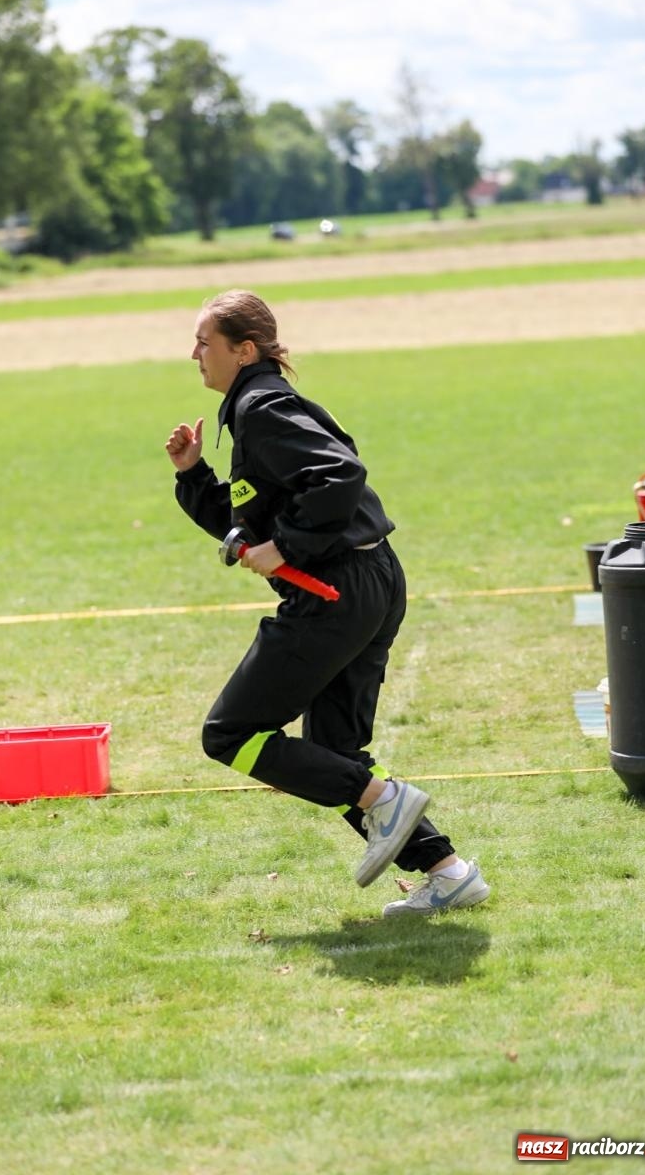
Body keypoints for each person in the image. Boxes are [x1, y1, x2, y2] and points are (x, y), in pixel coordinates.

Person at [165, 289, 490, 916]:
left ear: (245, 349)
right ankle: (449, 873)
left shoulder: (260, 407)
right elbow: (246, 526)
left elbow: (340, 476)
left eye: (205, 342)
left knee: (230, 733)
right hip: (371, 582)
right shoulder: (256, 409)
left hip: (337, 594)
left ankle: (386, 798)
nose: (194, 353)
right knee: (336, 755)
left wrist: (286, 547)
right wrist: (192, 475)